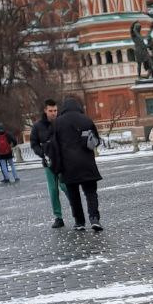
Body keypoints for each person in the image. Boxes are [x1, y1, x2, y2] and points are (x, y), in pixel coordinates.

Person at [49, 96, 103, 231]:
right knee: (91, 192)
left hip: (68, 166)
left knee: (74, 195)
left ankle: (79, 222)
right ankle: (94, 218)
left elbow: (54, 147)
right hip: (87, 163)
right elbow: (96, 140)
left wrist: (55, 167)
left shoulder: (58, 122)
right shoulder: (86, 119)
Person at [30, 99, 65, 227]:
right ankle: (58, 217)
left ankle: (77, 213)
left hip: (63, 161)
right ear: (45, 110)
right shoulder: (38, 126)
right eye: (50, 111)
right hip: (48, 162)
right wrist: (42, 153)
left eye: (55, 110)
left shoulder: (62, 122)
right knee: (53, 190)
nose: (53, 113)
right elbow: (34, 144)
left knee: (66, 187)